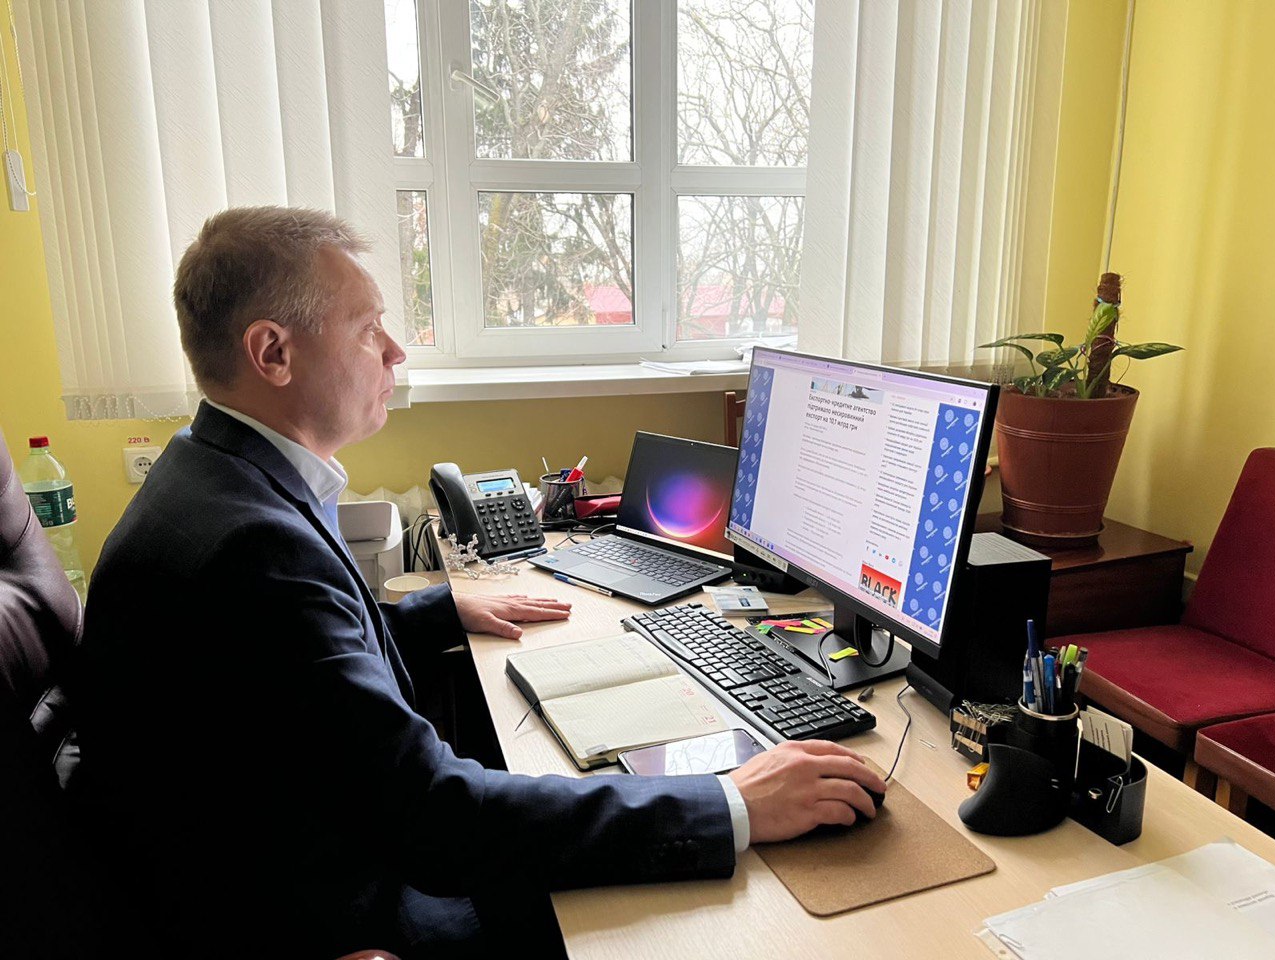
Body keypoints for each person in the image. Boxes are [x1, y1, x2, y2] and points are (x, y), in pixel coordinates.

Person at [76, 206, 886, 959]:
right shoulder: (253, 548)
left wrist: (437, 608)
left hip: (282, 868)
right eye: (367, 328)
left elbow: (290, 677)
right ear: (272, 353)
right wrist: (731, 804)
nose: (395, 352)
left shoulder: (214, 476)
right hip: (341, 920)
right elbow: (436, 819)